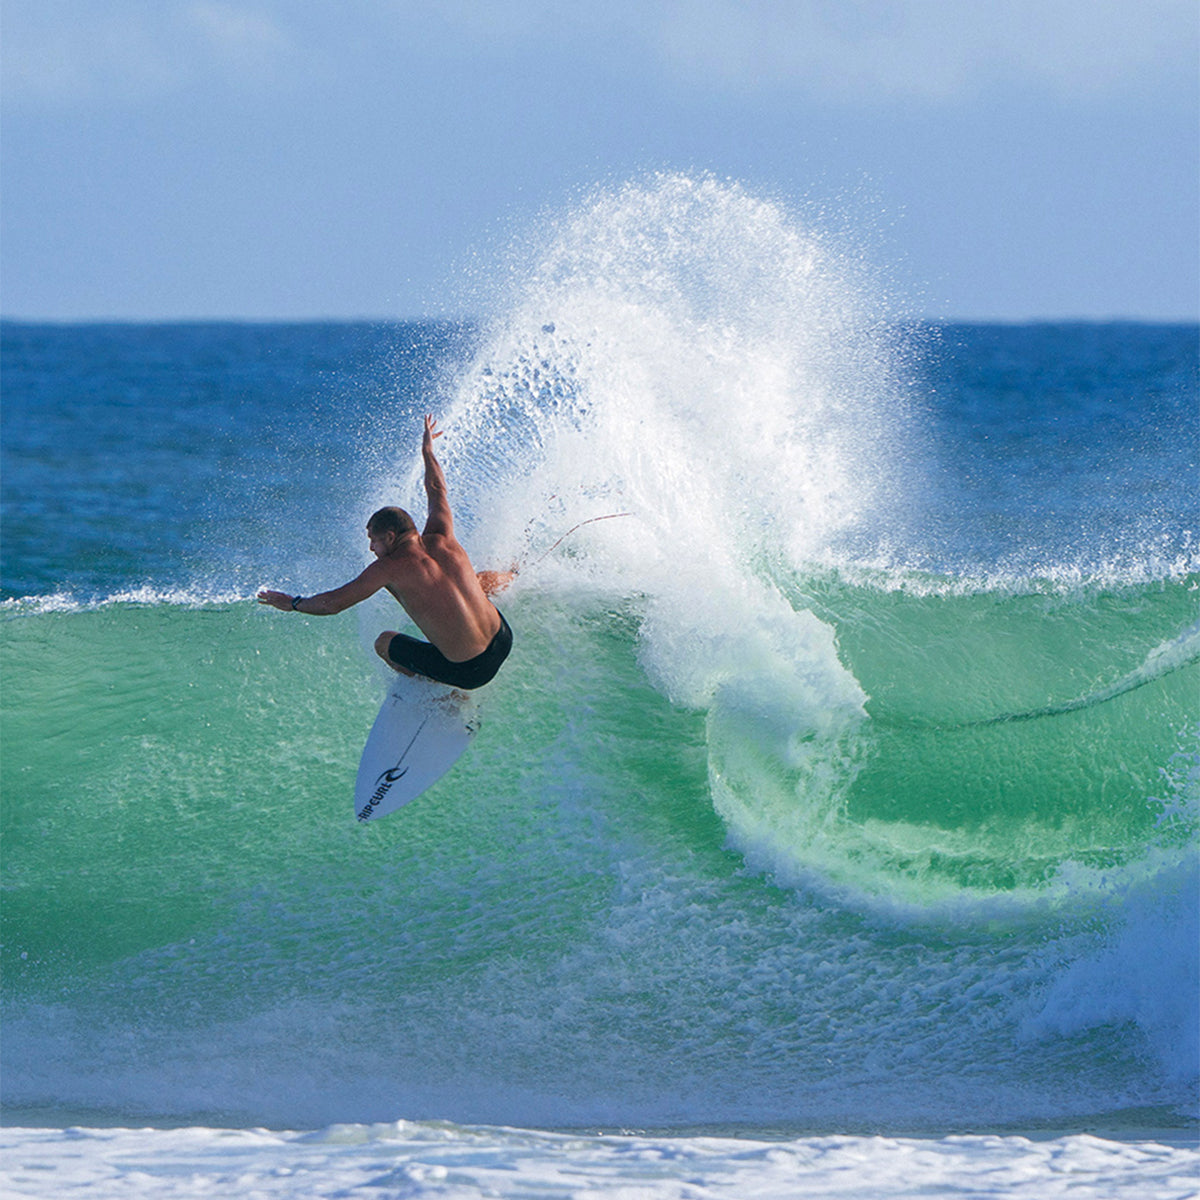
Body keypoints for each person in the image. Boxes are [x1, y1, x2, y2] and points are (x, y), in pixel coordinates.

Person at [257, 415, 513, 689]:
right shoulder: (441, 535)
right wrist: (428, 452)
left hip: (471, 671)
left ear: (391, 537)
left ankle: (437, 694)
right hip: (504, 637)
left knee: (384, 643)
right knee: (470, 580)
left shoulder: (389, 567)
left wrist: (293, 603)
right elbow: (436, 489)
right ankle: (512, 576)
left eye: (374, 540)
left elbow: (333, 604)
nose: (371, 548)